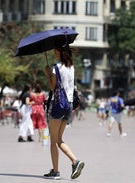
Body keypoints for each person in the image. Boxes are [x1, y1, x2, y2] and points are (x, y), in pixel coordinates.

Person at [43, 41, 84, 180]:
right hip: (69, 106)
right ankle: (74, 162)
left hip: (58, 105)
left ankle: (57, 170)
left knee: (53, 140)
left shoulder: (56, 68)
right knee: (59, 139)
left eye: (55, 51)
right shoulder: (71, 67)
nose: (54, 54)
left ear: (61, 52)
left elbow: (53, 87)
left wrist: (48, 74)